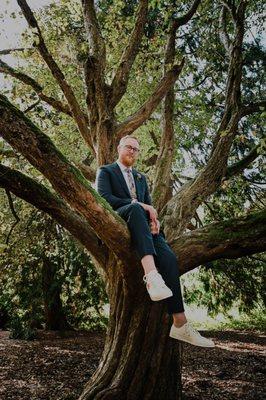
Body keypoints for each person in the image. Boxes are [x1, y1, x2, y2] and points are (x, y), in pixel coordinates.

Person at [96, 135, 214, 347]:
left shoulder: (141, 179)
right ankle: (151, 276)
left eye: (136, 149)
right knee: (134, 207)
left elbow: (149, 208)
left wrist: (155, 222)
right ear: (119, 148)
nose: (132, 151)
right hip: (120, 218)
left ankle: (180, 323)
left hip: (142, 228)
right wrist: (140, 205)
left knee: (169, 258)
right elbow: (104, 199)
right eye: (128, 147)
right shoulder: (106, 171)